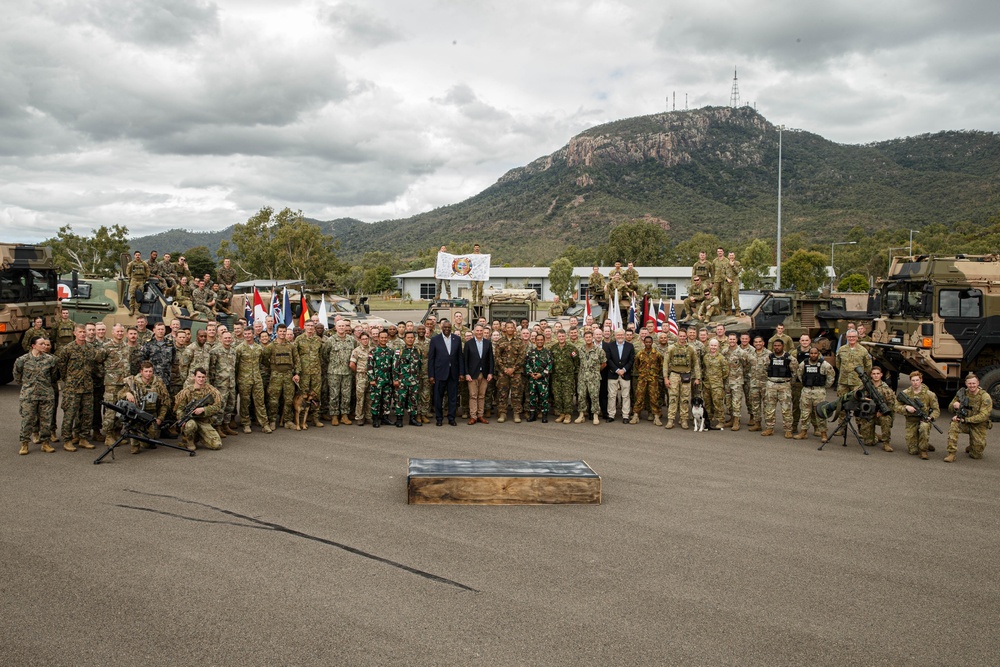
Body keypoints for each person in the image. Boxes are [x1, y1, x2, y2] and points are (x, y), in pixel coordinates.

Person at [15, 335, 58, 455]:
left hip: (46, 395)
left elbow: (54, 376)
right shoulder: (22, 360)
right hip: (29, 395)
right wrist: (27, 386)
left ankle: (45, 443)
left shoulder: (50, 360)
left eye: (45, 344)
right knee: (27, 420)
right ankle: (24, 443)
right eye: (42, 344)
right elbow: (17, 376)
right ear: (33, 346)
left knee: (46, 420)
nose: (45, 346)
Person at [57, 324, 98, 450]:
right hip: (72, 387)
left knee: (87, 414)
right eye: (80, 332)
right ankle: (67, 439)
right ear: (75, 333)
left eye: (84, 332)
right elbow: (62, 367)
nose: (83, 334)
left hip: (87, 386)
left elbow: (94, 367)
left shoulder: (91, 348)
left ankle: (83, 438)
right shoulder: (68, 349)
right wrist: (69, 379)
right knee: (70, 414)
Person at [119, 361, 170, 454]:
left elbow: (165, 402)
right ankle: (135, 445)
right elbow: (119, 394)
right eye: (146, 371)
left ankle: (144, 440)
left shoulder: (158, 383)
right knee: (132, 423)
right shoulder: (133, 382)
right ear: (141, 372)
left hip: (151, 415)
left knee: (149, 443)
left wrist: (160, 418)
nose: (148, 374)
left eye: (150, 371)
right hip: (137, 414)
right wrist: (127, 393)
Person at [945, 373, 994, 462]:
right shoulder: (962, 393)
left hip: (978, 425)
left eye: (974, 383)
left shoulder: (984, 396)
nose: (972, 386)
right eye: (969, 383)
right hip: (964, 422)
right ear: (966, 384)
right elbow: (950, 408)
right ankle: (951, 454)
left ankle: (973, 446)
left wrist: (966, 420)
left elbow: (983, 416)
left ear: (978, 383)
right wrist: (955, 406)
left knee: (976, 455)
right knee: (954, 424)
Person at [174, 368, 223, 451]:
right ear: (194, 377)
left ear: (205, 378)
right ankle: (190, 442)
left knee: (217, 445)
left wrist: (204, 409)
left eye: (203, 377)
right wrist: (181, 418)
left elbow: (217, 407)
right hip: (191, 420)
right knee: (190, 425)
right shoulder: (186, 392)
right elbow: (179, 409)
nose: (201, 379)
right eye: (199, 377)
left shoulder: (211, 391)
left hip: (204, 421)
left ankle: (198, 437)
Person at [894, 370, 939, 459]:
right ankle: (922, 442)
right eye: (913, 380)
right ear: (910, 381)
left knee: (924, 427)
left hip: (924, 420)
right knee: (913, 451)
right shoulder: (905, 393)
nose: (915, 383)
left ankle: (923, 450)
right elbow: (896, 407)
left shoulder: (929, 394)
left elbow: (936, 410)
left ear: (921, 380)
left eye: (917, 380)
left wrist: (931, 417)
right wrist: (906, 408)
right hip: (911, 421)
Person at [794, 347, 836, 441]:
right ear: (809, 354)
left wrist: (824, 387)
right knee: (805, 412)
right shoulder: (804, 364)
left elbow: (831, 377)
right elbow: (800, 375)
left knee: (820, 412)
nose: (813, 355)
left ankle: (823, 434)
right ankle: (803, 432)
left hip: (819, 391)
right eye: (811, 353)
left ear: (818, 354)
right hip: (806, 390)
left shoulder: (824, 364)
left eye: (815, 353)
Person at [428, 319, 463, 426]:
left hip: (453, 373)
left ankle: (451, 418)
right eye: (445, 327)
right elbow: (431, 359)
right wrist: (431, 375)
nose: (447, 329)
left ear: (451, 328)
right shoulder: (435, 340)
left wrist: (461, 373)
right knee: (438, 397)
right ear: (441, 328)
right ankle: (439, 418)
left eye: (449, 327)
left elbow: (460, 358)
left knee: (453, 397)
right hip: (439, 373)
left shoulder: (457, 339)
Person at [235, 328, 271, 433]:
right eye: (245, 334)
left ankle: (264, 424)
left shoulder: (259, 348)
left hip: (257, 379)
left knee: (260, 401)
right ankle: (246, 423)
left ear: (253, 334)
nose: (247, 336)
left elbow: (262, 362)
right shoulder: (239, 349)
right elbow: (236, 365)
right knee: (245, 402)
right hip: (244, 379)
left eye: (249, 334)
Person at [265, 325, 301, 431]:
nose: (282, 333)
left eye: (284, 331)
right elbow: (263, 359)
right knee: (273, 400)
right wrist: (272, 368)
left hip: (288, 375)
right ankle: (272, 421)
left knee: (289, 399)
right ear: (277, 332)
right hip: (276, 375)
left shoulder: (291, 346)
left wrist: (297, 373)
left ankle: (287, 421)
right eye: (280, 331)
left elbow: (297, 360)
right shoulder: (271, 346)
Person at [663, 329, 700, 430]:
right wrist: (666, 378)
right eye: (681, 336)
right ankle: (671, 420)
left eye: (684, 336)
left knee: (684, 398)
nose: (682, 338)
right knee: (673, 398)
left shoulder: (691, 349)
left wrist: (698, 377)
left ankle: (684, 419)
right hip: (674, 375)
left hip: (686, 375)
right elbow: (665, 363)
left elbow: (696, 364)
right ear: (678, 336)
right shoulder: (671, 348)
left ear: (686, 336)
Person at [761, 339, 799, 438]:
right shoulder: (768, 357)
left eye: (779, 345)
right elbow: (764, 369)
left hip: (784, 385)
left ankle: (788, 430)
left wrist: (788, 383)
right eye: (775, 346)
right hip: (771, 385)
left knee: (786, 409)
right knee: (769, 408)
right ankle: (769, 428)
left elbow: (795, 373)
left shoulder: (790, 358)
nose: (777, 347)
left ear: (783, 346)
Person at [325, 320, 357, 426]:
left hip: (347, 372)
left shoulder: (351, 340)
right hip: (334, 372)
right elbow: (324, 354)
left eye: (343, 326)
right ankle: (334, 415)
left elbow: (355, 353)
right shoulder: (330, 340)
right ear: (336, 327)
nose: (342, 328)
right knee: (334, 394)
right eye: (340, 326)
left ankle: (344, 415)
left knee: (346, 395)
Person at [495, 321, 527, 423]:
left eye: (511, 327)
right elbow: (497, 357)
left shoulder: (520, 341)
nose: (509, 329)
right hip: (503, 372)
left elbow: (522, 357)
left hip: (516, 372)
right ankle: (502, 413)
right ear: (504, 329)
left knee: (516, 393)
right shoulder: (500, 341)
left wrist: (513, 368)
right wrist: (504, 369)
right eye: (507, 327)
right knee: (502, 393)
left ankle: (516, 413)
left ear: (514, 329)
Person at [209, 331, 239, 438]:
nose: (227, 340)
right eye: (225, 338)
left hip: (231, 382)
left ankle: (226, 425)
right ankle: (218, 426)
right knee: (220, 406)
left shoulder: (233, 351)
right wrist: (212, 383)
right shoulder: (215, 351)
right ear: (221, 338)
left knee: (230, 405)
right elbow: (211, 368)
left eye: (229, 338)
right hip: (220, 383)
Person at [574, 329, 607, 425]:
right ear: (584, 338)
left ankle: (595, 415)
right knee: (581, 396)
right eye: (586, 337)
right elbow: (576, 362)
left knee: (594, 396)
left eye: (590, 337)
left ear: (592, 338)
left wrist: (596, 371)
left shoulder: (599, 351)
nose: (588, 339)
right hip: (582, 377)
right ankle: (581, 415)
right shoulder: (580, 350)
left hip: (594, 378)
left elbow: (604, 363)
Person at [463, 324, 494, 424]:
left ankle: (480, 415)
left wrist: (490, 372)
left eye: (481, 331)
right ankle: (473, 416)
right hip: (472, 374)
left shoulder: (488, 343)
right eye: (478, 331)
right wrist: (466, 373)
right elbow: (465, 360)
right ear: (474, 332)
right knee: (473, 395)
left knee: (482, 395)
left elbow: (491, 359)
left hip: (484, 373)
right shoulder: (469, 344)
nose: (479, 332)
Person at [631, 335, 663, 425]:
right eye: (646, 342)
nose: (648, 344)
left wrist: (654, 373)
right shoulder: (640, 354)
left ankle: (656, 416)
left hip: (653, 379)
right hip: (642, 378)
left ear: (652, 343)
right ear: (644, 343)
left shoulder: (657, 354)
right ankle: (636, 415)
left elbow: (661, 365)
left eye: (650, 342)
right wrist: (643, 372)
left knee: (654, 397)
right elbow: (637, 365)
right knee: (639, 397)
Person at [605, 328, 634, 424]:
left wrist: (624, 370)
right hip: (613, 373)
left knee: (625, 395)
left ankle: (625, 415)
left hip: (625, 374)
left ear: (624, 335)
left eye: (622, 335)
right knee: (612, 395)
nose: (620, 336)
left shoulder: (630, 346)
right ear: (615, 336)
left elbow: (631, 360)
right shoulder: (610, 346)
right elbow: (608, 359)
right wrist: (617, 370)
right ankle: (611, 415)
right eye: (618, 335)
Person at [549, 330, 579, 424]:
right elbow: (550, 362)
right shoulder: (553, 348)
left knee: (567, 396)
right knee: (557, 396)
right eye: (559, 336)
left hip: (568, 377)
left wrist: (573, 374)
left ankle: (568, 414)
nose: (561, 338)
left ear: (565, 337)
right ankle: (561, 413)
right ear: (557, 337)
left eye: (563, 336)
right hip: (556, 377)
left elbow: (576, 362)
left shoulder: (571, 348)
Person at [701, 339, 729, 429]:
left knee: (718, 403)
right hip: (707, 384)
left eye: (715, 346)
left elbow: (725, 372)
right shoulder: (706, 357)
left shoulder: (721, 358)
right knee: (708, 403)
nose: (713, 347)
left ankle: (721, 420)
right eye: (711, 345)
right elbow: (704, 368)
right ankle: (708, 419)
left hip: (717, 385)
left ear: (718, 347)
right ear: (709, 346)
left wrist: (718, 380)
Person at [723, 333, 749, 430]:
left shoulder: (742, 352)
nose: (732, 341)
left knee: (736, 402)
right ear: (728, 340)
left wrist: (740, 374)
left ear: (737, 340)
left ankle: (736, 422)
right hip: (727, 381)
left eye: (734, 339)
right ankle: (732, 418)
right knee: (728, 402)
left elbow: (747, 365)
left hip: (737, 381)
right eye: (730, 339)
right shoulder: (724, 351)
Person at [836, 329, 871, 397]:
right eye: (849, 337)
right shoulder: (841, 350)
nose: (851, 338)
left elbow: (868, 365)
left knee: (856, 401)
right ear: (846, 337)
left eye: (853, 336)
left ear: (857, 337)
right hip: (843, 381)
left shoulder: (863, 350)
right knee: (841, 401)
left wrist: (863, 376)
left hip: (857, 382)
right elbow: (838, 364)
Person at [126, 251, 149, 316]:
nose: (138, 256)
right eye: (136, 255)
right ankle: (131, 309)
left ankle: (136, 309)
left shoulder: (144, 263)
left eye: (139, 255)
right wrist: (130, 278)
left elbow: (147, 270)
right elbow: (128, 272)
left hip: (141, 280)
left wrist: (146, 278)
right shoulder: (131, 263)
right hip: (134, 280)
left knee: (139, 296)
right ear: (134, 256)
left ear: (140, 256)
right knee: (132, 295)